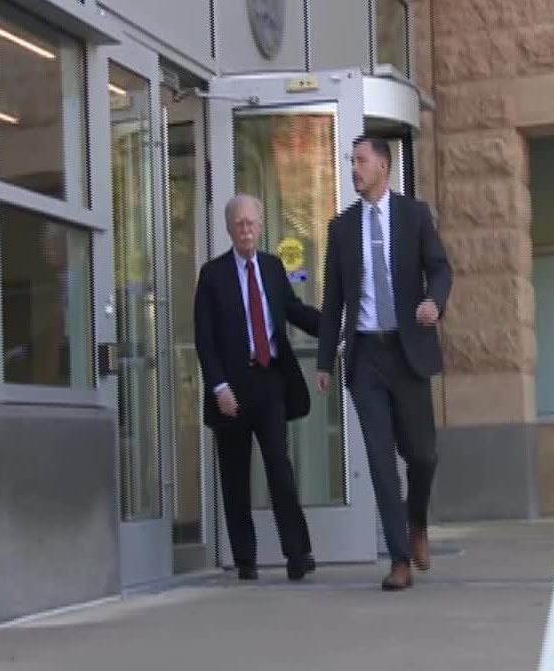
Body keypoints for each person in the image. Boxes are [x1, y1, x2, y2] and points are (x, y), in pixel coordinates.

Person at [315, 136, 453, 591]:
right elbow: (332, 298)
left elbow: (440, 268)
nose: (354, 168)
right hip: (365, 357)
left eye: (361, 161)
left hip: (408, 350)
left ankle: (417, 524)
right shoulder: (342, 227)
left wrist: (434, 302)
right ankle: (398, 560)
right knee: (378, 460)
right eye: (351, 161)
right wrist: (324, 361)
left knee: (423, 455)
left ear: (383, 166)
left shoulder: (414, 216)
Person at [194, 194, 322, 581]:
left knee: (280, 470)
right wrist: (219, 387)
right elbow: (205, 338)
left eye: (251, 223)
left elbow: (294, 312)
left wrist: (334, 327)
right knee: (234, 478)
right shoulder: (212, 275)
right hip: (231, 389)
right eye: (239, 224)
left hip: (269, 382)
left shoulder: (271, 267)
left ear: (261, 226)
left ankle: (297, 555)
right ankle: (245, 559)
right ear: (230, 229)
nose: (246, 229)